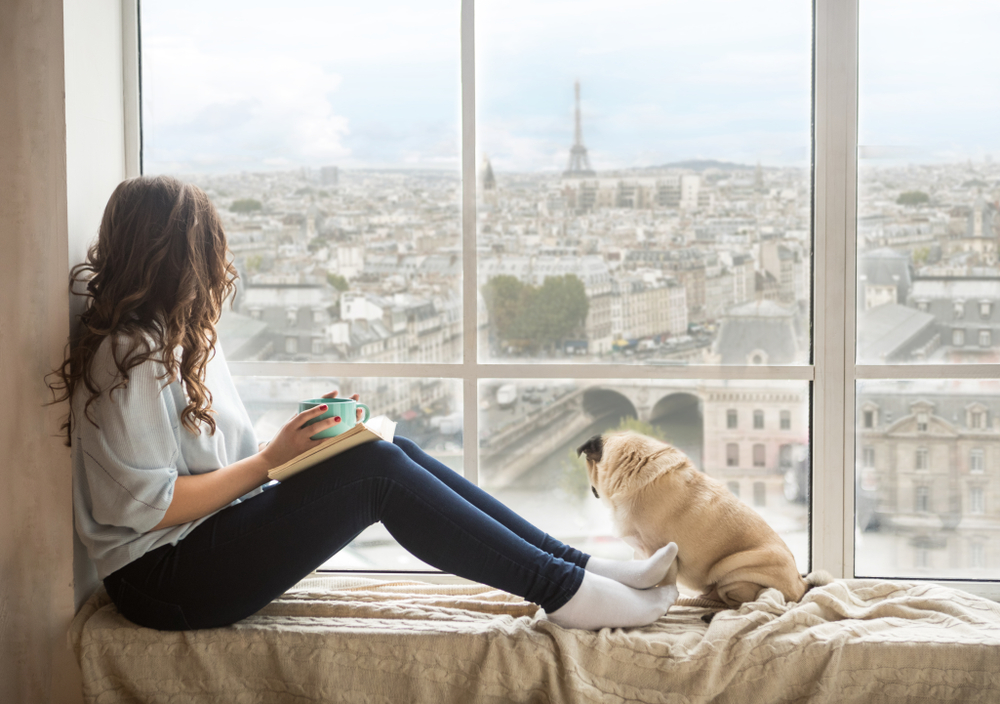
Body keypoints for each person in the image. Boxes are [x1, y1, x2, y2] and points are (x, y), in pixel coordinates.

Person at [48, 175, 679, 632]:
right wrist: (274, 459)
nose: (224, 264)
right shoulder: (127, 358)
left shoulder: (180, 342)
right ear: (182, 259)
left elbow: (213, 466)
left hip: (197, 550)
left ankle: (576, 567)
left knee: (381, 449)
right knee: (376, 473)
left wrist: (304, 436)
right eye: (212, 249)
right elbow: (149, 509)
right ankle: (568, 594)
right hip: (162, 581)